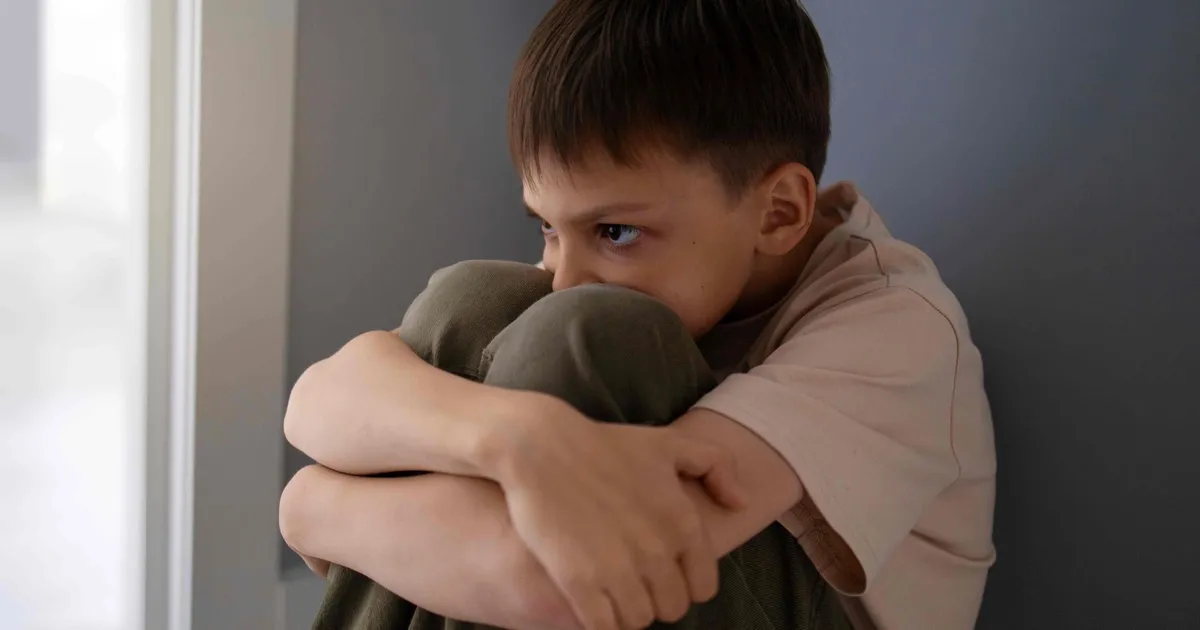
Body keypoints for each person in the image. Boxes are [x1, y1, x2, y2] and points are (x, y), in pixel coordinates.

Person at [278, 0, 996, 629]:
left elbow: (567, 589)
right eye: (548, 227)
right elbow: (319, 400)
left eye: (615, 231)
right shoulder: (629, 272)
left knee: (593, 334)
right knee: (476, 300)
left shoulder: (897, 331)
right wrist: (518, 438)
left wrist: (312, 506)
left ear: (778, 212)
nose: (564, 279)